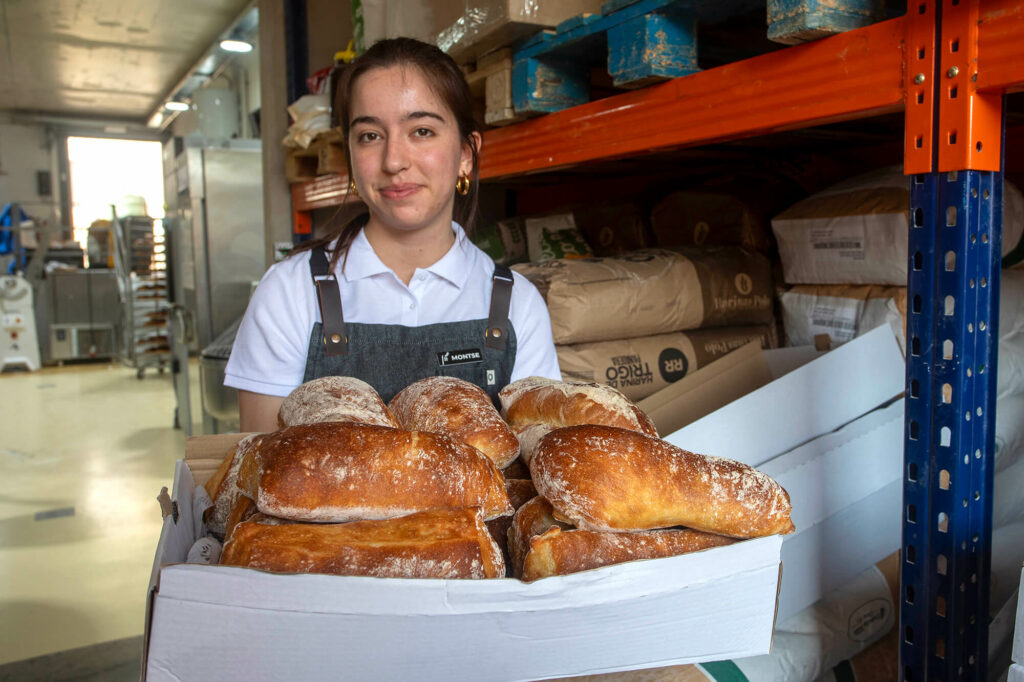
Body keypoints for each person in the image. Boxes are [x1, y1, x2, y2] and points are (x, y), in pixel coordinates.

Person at [224, 37, 561, 433]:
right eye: (370, 136)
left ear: (466, 153)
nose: (394, 161)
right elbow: (264, 474)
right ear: (350, 154)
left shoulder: (515, 303)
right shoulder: (289, 293)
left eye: (421, 131)